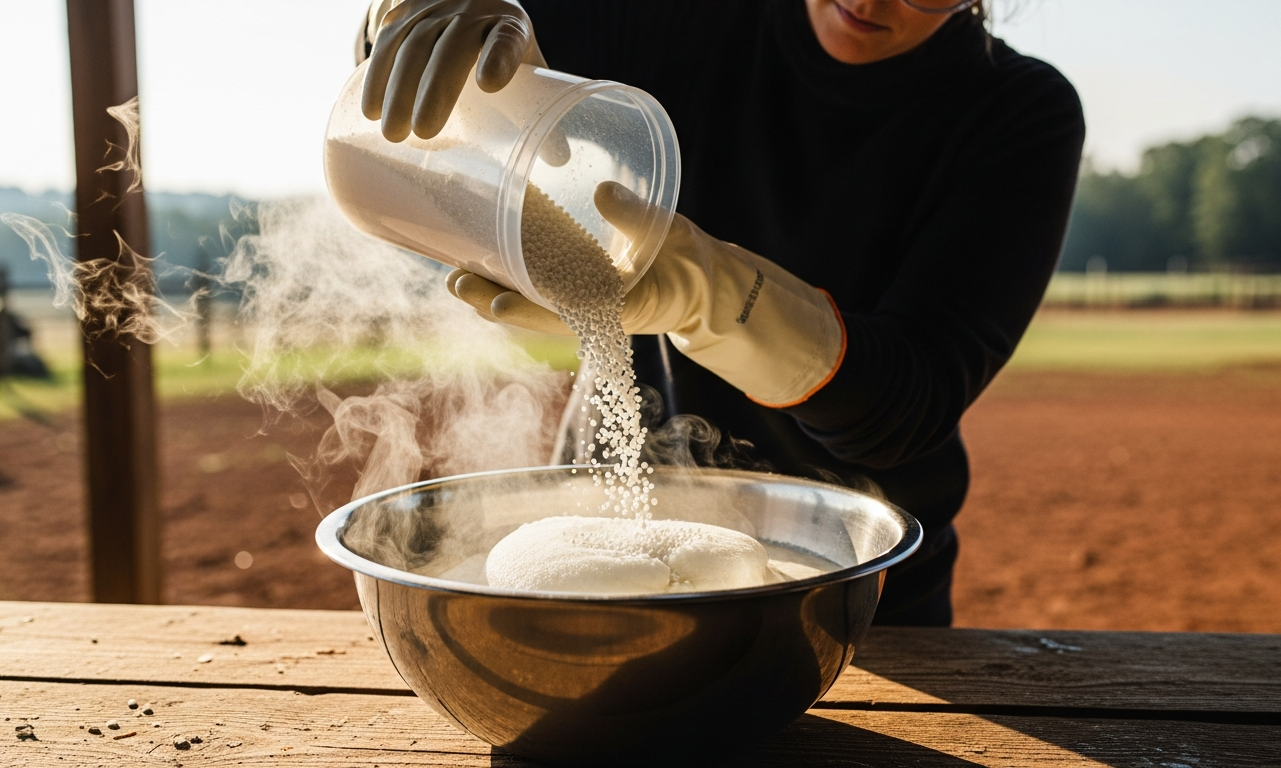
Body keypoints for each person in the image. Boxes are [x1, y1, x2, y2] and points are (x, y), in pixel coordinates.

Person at [354, 0, 1085, 626]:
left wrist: (712, 294)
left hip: (860, 599)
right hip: (601, 536)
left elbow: (907, 400)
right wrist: (410, 26)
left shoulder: (1015, 110)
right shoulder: (689, 18)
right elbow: (457, 66)